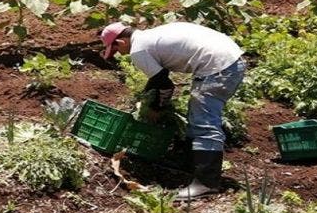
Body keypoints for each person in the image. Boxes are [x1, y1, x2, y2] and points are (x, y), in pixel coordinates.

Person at [100, 22, 246, 200]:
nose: (119, 54)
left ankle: (206, 183)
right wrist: (150, 96)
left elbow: (165, 84)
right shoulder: (151, 36)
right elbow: (159, 79)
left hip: (218, 67)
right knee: (197, 115)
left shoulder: (138, 50)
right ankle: (194, 167)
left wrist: (156, 108)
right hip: (229, 60)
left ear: (121, 42)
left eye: (115, 50)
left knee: (204, 123)